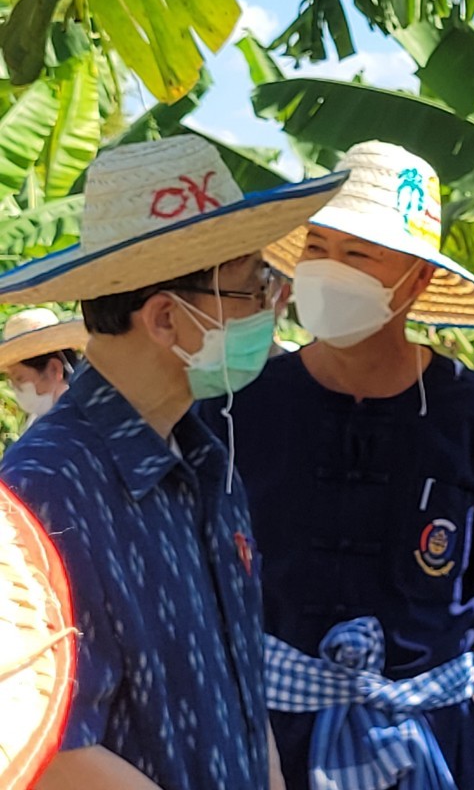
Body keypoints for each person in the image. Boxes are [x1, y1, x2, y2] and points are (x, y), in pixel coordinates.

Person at [199, 141, 474, 790]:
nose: (327, 269)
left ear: (417, 281)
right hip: (271, 751)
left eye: (358, 255)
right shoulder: (238, 407)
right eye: (316, 249)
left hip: (434, 749)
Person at [0, 135, 346, 790]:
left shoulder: (206, 461)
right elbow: (51, 747)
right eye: (253, 288)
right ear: (165, 319)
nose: (275, 306)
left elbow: (240, 681)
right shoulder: (43, 490)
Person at [0, 308, 87, 428]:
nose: (15, 389)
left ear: (54, 369)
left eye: (19, 378)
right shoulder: (34, 423)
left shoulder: (86, 420)